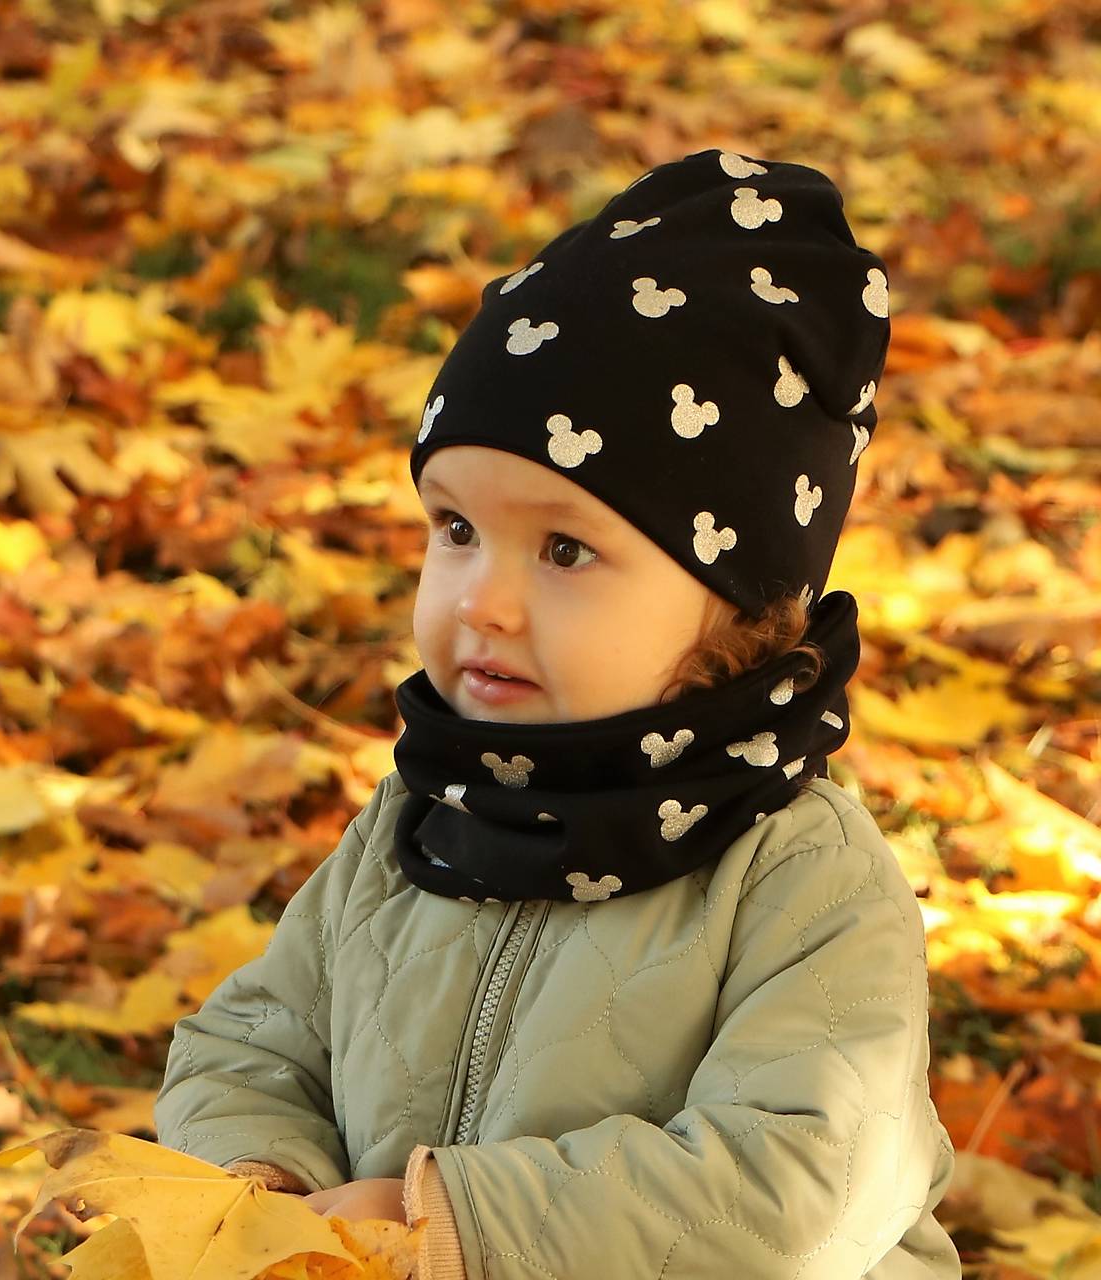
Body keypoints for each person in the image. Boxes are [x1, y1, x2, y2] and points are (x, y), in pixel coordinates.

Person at [154, 148, 961, 1279]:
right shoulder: (420, 816)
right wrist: (274, 1191)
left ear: (736, 603)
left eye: (566, 548)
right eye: (453, 529)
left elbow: (798, 1180)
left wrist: (453, 1223)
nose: (480, 599)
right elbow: (249, 1042)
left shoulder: (795, 873)